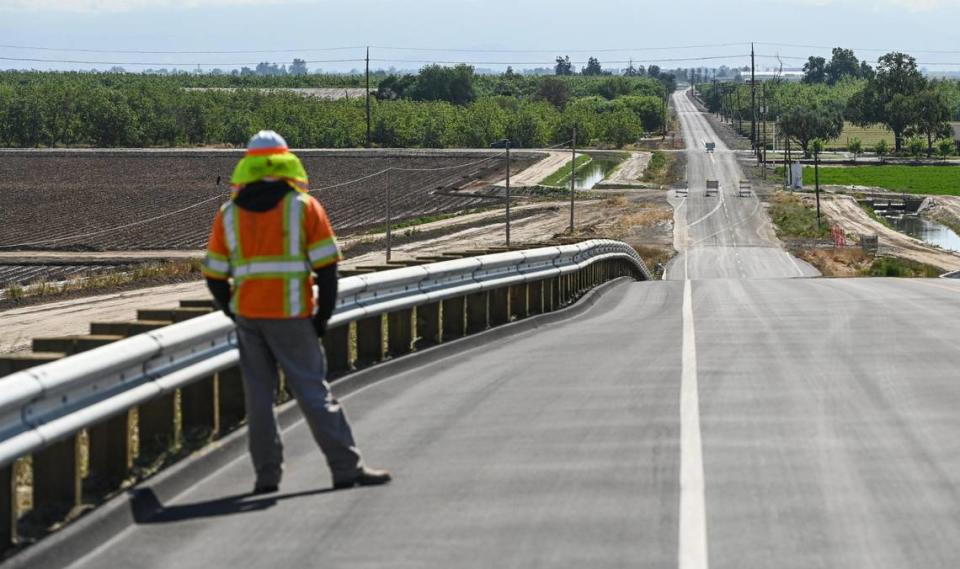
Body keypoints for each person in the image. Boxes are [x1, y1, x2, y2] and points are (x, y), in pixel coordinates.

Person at [202, 130, 390, 494]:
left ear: (248, 166)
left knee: (259, 400)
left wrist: (234, 311)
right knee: (312, 392)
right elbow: (328, 269)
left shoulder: (228, 214)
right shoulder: (303, 207)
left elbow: (214, 276)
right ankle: (345, 468)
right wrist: (321, 319)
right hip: (292, 316)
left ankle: (266, 478)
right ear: (287, 162)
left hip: (249, 319)